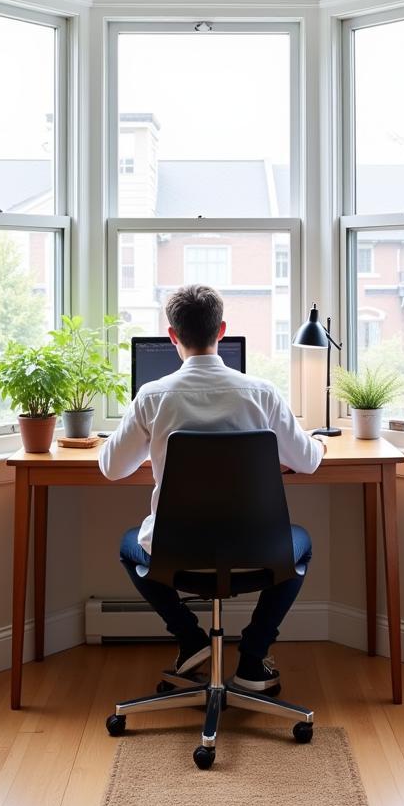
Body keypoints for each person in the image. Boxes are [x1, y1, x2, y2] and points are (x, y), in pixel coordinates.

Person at [100, 284, 324, 693]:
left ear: (172, 336)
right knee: (300, 544)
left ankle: (191, 640)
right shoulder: (262, 393)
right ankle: (253, 658)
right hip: (258, 552)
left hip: (176, 554)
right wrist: (315, 442)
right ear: (222, 330)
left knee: (129, 545)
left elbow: (113, 469)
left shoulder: (152, 397)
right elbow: (308, 461)